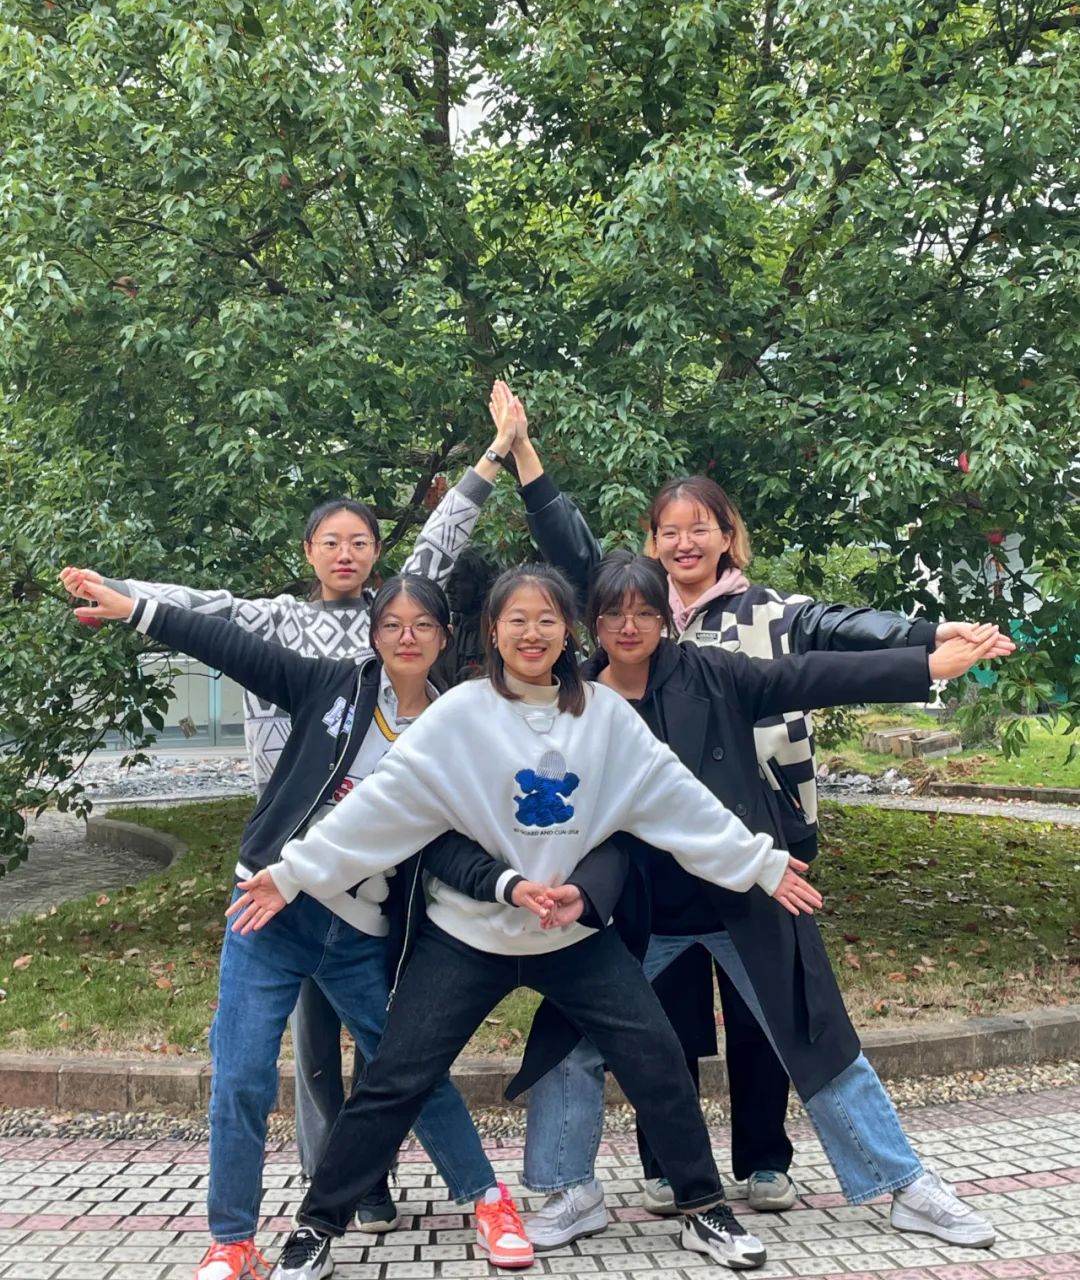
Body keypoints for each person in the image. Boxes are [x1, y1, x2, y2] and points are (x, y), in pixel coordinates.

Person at [76, 563, 845, 1277]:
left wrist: (761, 863)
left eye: (547, 620)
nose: (532, 633)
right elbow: (382, 808)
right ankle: (317, 1226)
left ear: (568, 631)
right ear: (492, 633)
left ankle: (705, 1209)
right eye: (517, 620)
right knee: (393, 1079)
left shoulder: (606, 716)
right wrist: (295, 871)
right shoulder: (458, 716)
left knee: (657, 1060)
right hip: (469, 935)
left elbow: (677, 800)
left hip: (571, 936)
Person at [496, 380, 1012, 1215]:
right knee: (574, 1037)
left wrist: (926, 658)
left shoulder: (721, 664)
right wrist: (522, 452)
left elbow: (818, 667)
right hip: (634, 901)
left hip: (743, 881)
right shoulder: (575, 701)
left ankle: (901, 1184)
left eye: (643, 612)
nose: (629, 624)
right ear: (595, 615)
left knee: (811, 1032)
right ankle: (567, 1191)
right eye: (613, 612)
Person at [58, 415, 517, 1212]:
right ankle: (327, 1180)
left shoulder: (394, 630)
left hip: (370, 871)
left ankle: (376, 1178)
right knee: (309, 1047)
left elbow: (440, 545)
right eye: (330, 542)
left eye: (360, 542)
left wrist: (494, 455)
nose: (346, 554)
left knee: (382, 1039)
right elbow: (205, 617)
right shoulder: (280, 624)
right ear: (309, 552)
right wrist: (125, 598)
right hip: (286, 862)